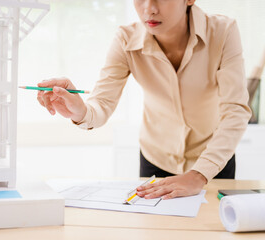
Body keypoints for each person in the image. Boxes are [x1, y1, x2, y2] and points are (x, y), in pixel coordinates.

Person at [36, 0, 251, 200]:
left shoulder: (223, 31)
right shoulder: (125, 39)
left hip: (213, 162)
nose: (149, 8)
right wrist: (80, 110)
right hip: (155, 161)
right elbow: (101, 104)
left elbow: (236, 110)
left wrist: (199, 174)